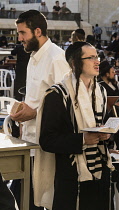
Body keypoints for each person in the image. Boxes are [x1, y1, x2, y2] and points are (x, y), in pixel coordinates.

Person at [33, 41, 114, 210]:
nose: (97, 61)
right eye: (91, 57)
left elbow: (103, 125)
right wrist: (82, 140)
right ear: (75, 63)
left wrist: (107, 134)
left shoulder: (101, 92)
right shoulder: (57, 95)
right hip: (72, 175)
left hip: (101, 171)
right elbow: (47, 140)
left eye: (97, 56)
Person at [10, 9, 70, 210]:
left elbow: (66, 103)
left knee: (34, 199)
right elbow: (37, 97)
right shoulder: (34, 56)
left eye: (22, 33)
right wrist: (22, 113)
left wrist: (34, 113)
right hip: (29, 139)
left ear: (37, 31)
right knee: (23, 197)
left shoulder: (57, 58)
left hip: (46, 145)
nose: (19, 38)